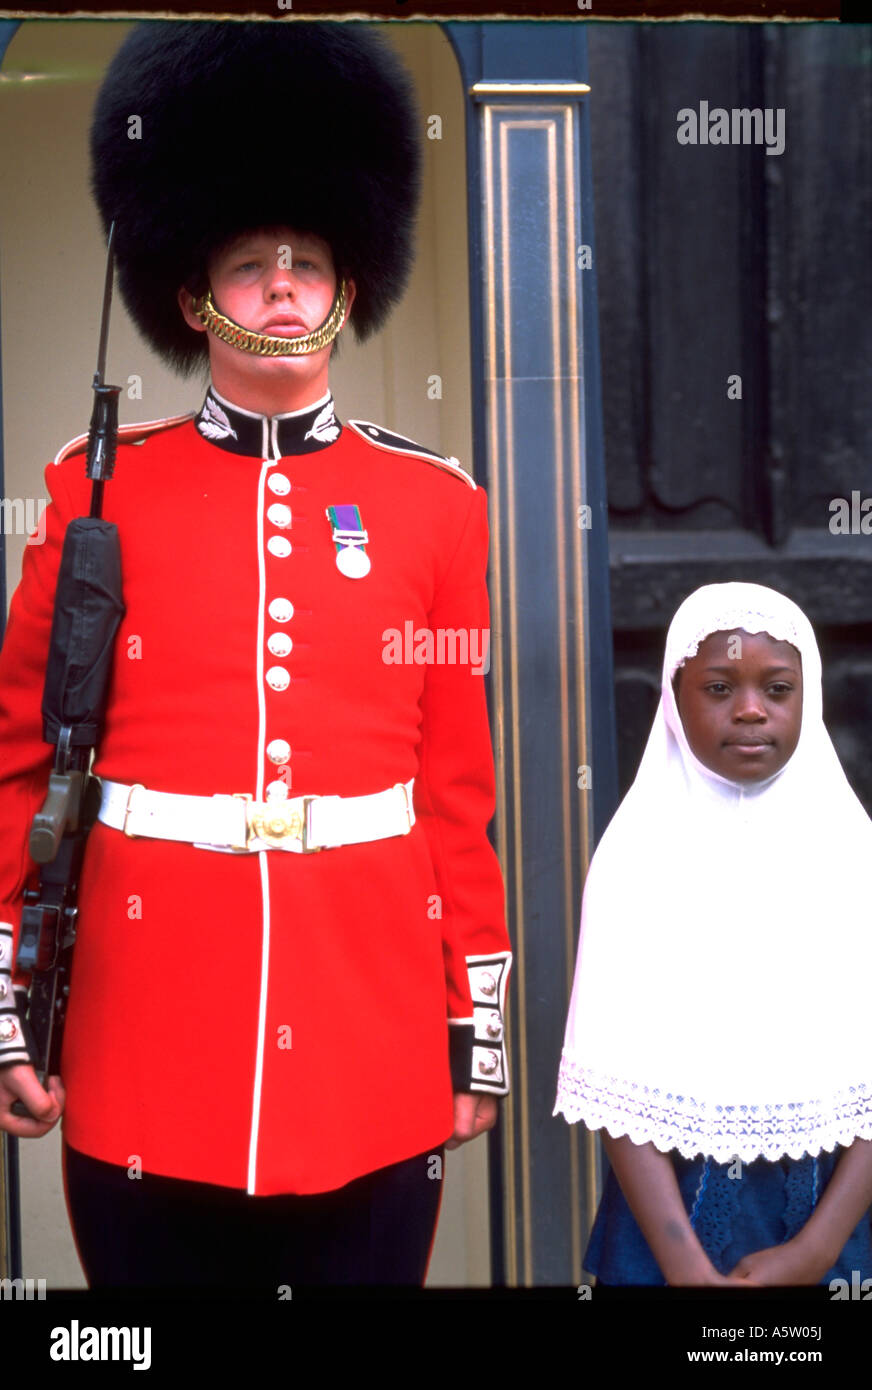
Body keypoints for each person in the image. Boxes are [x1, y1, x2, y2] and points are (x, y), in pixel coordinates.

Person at [0, 21, 510, 1288]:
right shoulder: (93, 491)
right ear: (189, 295)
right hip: (146, 1044)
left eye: (307, 260)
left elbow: (454, 793)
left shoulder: (438, 505)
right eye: (245, 265)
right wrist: (11, 1009)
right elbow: (24, 764)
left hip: (369, 1037)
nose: (281, 285)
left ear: (350, 287)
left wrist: (471, 1030)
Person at [554, 581, 872, 1286]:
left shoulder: (853, 853)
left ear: (809, 699)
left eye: (778, 688)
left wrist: (815, 1250)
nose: (751, 709)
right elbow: (618, 1084)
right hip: (670, 1219)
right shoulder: (636, 857)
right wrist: (685, 1267)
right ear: (673, 700)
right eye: (719, 687)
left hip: (834, 1214)